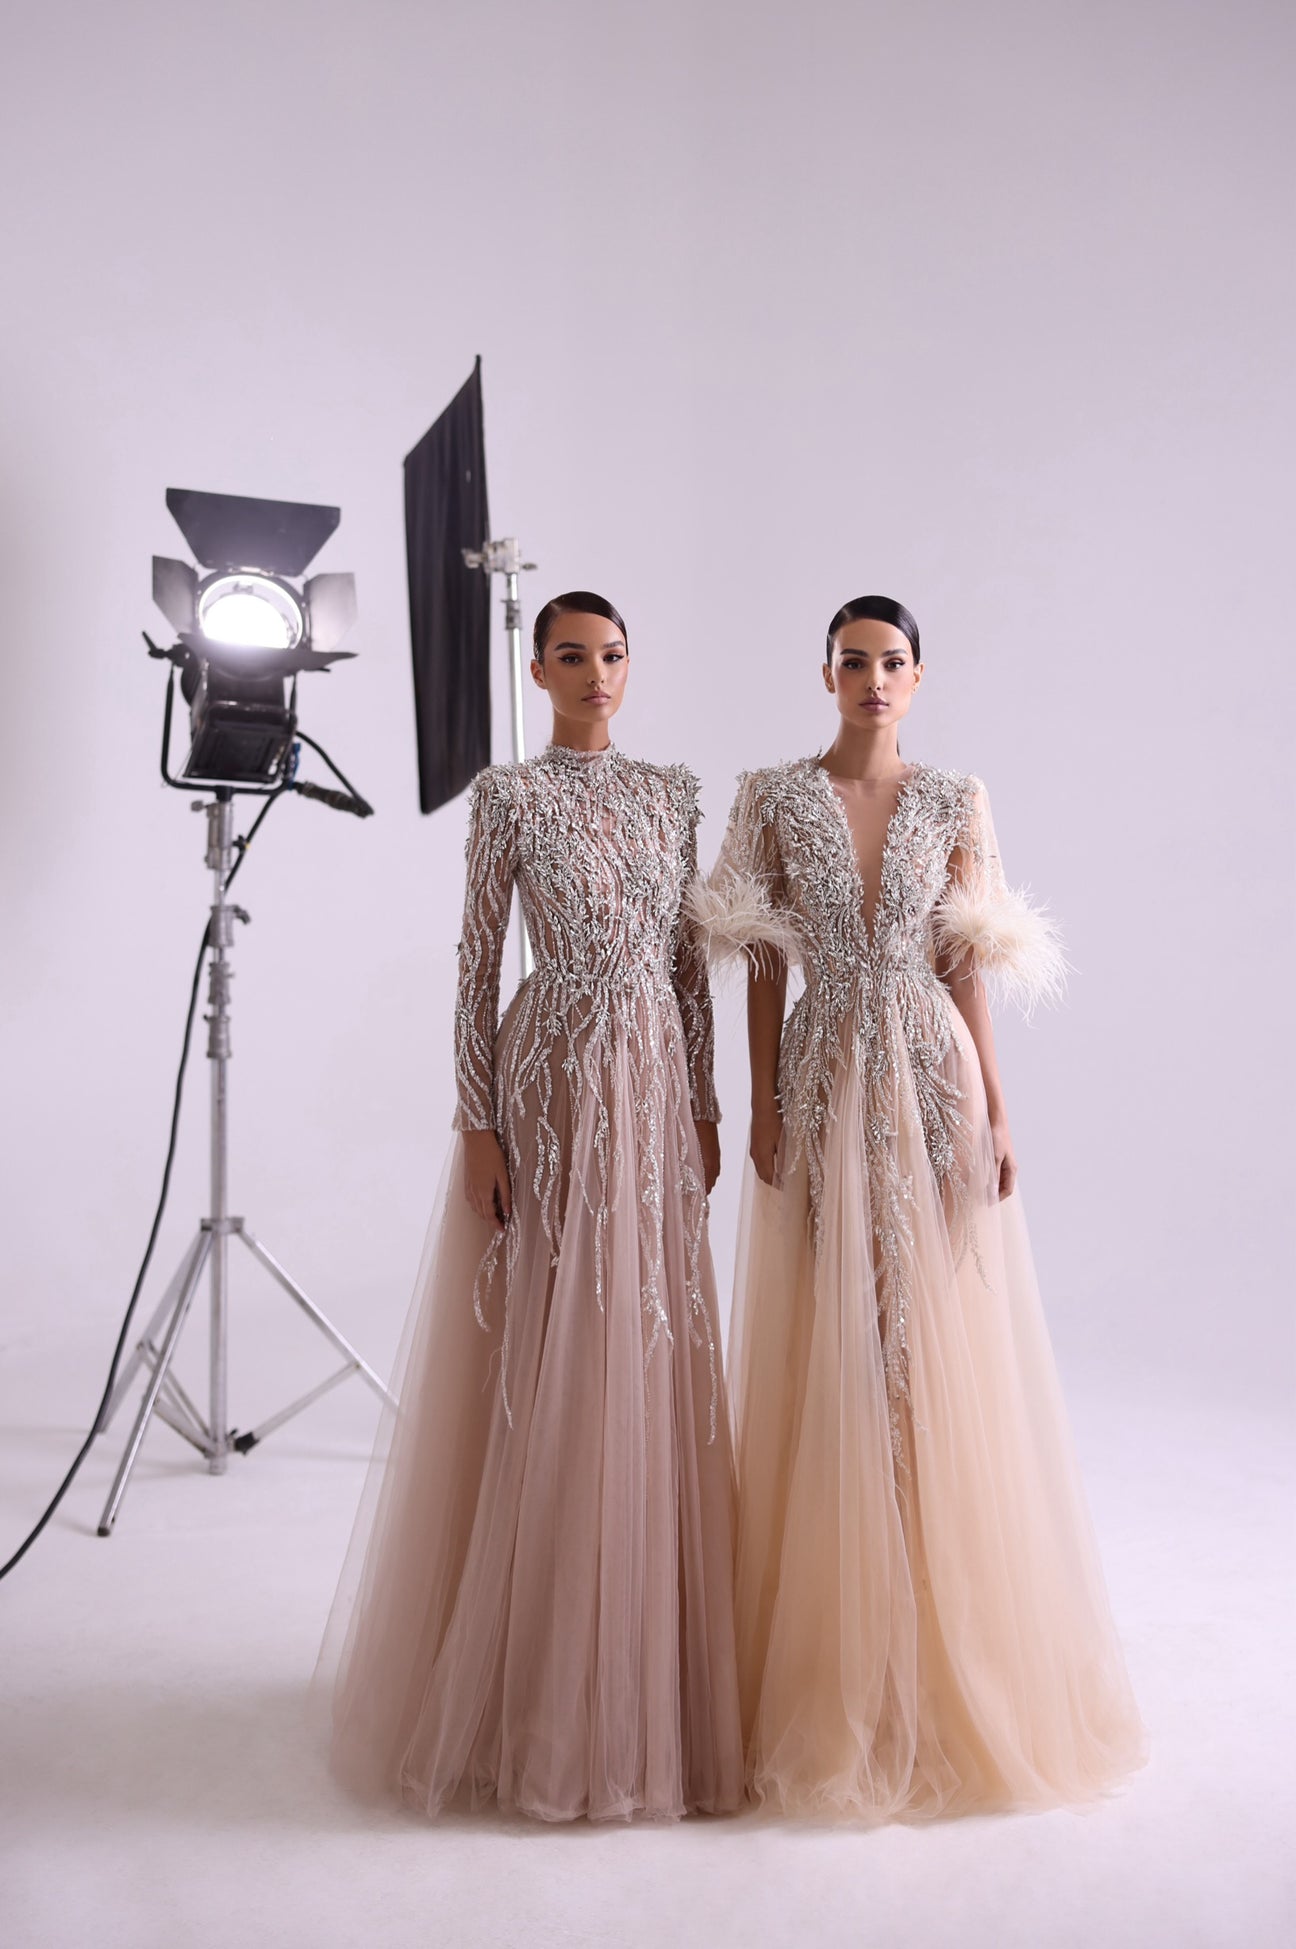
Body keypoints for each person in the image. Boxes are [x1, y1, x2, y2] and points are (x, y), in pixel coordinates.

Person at [691, 594, 1145, 1819]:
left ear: (919, 676)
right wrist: (759, 1101)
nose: (874, 679)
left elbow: (964, 963)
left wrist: (995, 1105)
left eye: (893, 662)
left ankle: (944, 1637)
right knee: (833, 1337)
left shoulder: (956, 798)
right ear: (825, 674)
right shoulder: (771, 796)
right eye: (854, 661)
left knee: (925, 1335)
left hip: (930, 1073)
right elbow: (761, 963)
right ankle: (836, 1641)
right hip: (821, 1073)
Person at [324, 593, 743, 1822]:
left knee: (647, 1332)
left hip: (653, 1079)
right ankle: (533, 1675)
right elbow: (474, 964)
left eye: (612, 654)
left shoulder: (672, 792)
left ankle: (646, 1670)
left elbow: (687, 967)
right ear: (538, 668)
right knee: (554, 1333)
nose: (596, 673)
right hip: (550, 1076)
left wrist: (707, 1103)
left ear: (630, 666)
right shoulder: (507, 797)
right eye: (572, 655)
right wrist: (476, 1119)